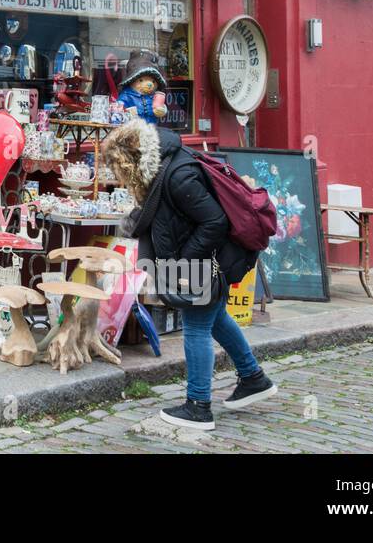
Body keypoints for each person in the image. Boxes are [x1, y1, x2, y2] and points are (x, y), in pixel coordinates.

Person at [103, 118, 277, 431]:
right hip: (204, 258)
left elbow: (215, 223)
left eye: (118, 170)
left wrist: (183, 263)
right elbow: (168, 215)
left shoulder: (178, 176)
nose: (119, 179)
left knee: (196, 328)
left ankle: (198, 406)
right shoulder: (163, 171)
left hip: (207, 260)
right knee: (216, 319)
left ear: (130, 162)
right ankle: (253, 378)